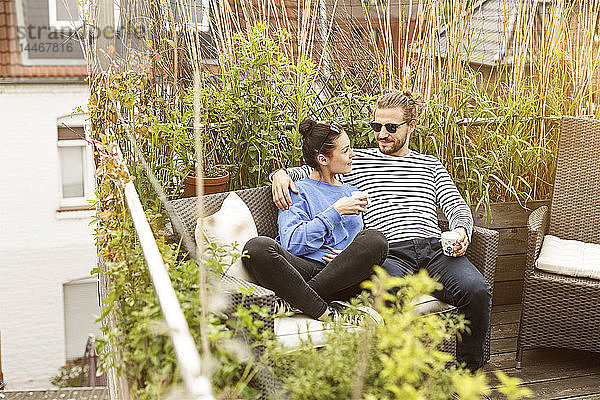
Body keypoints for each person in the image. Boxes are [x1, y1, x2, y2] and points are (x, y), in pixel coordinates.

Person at [271, 91, 492, 371]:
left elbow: (457, 208)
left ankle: (467, 376)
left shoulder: (430, 165)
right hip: (388, 253)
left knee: (477, 291)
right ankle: (398, 378)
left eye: (391, 127)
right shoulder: (357, 161)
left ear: (411, 126)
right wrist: (279, 175)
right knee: (389, 297)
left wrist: (461, 232)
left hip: (435, 250)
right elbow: (311, 168)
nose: (382, 134)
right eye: (377, 127)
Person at [242, 119, 388, 322]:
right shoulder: (296, 190)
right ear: (323, 159)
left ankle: (296, 301)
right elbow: (292, 244)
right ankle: (326, 311)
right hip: (302, 270)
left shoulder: (353, 193)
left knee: (376, 240)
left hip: (343, 278)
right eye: (346, 151)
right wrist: (336, 212)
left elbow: (362, 246)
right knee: (256, 248)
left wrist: (346, 255)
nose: (352, 154)